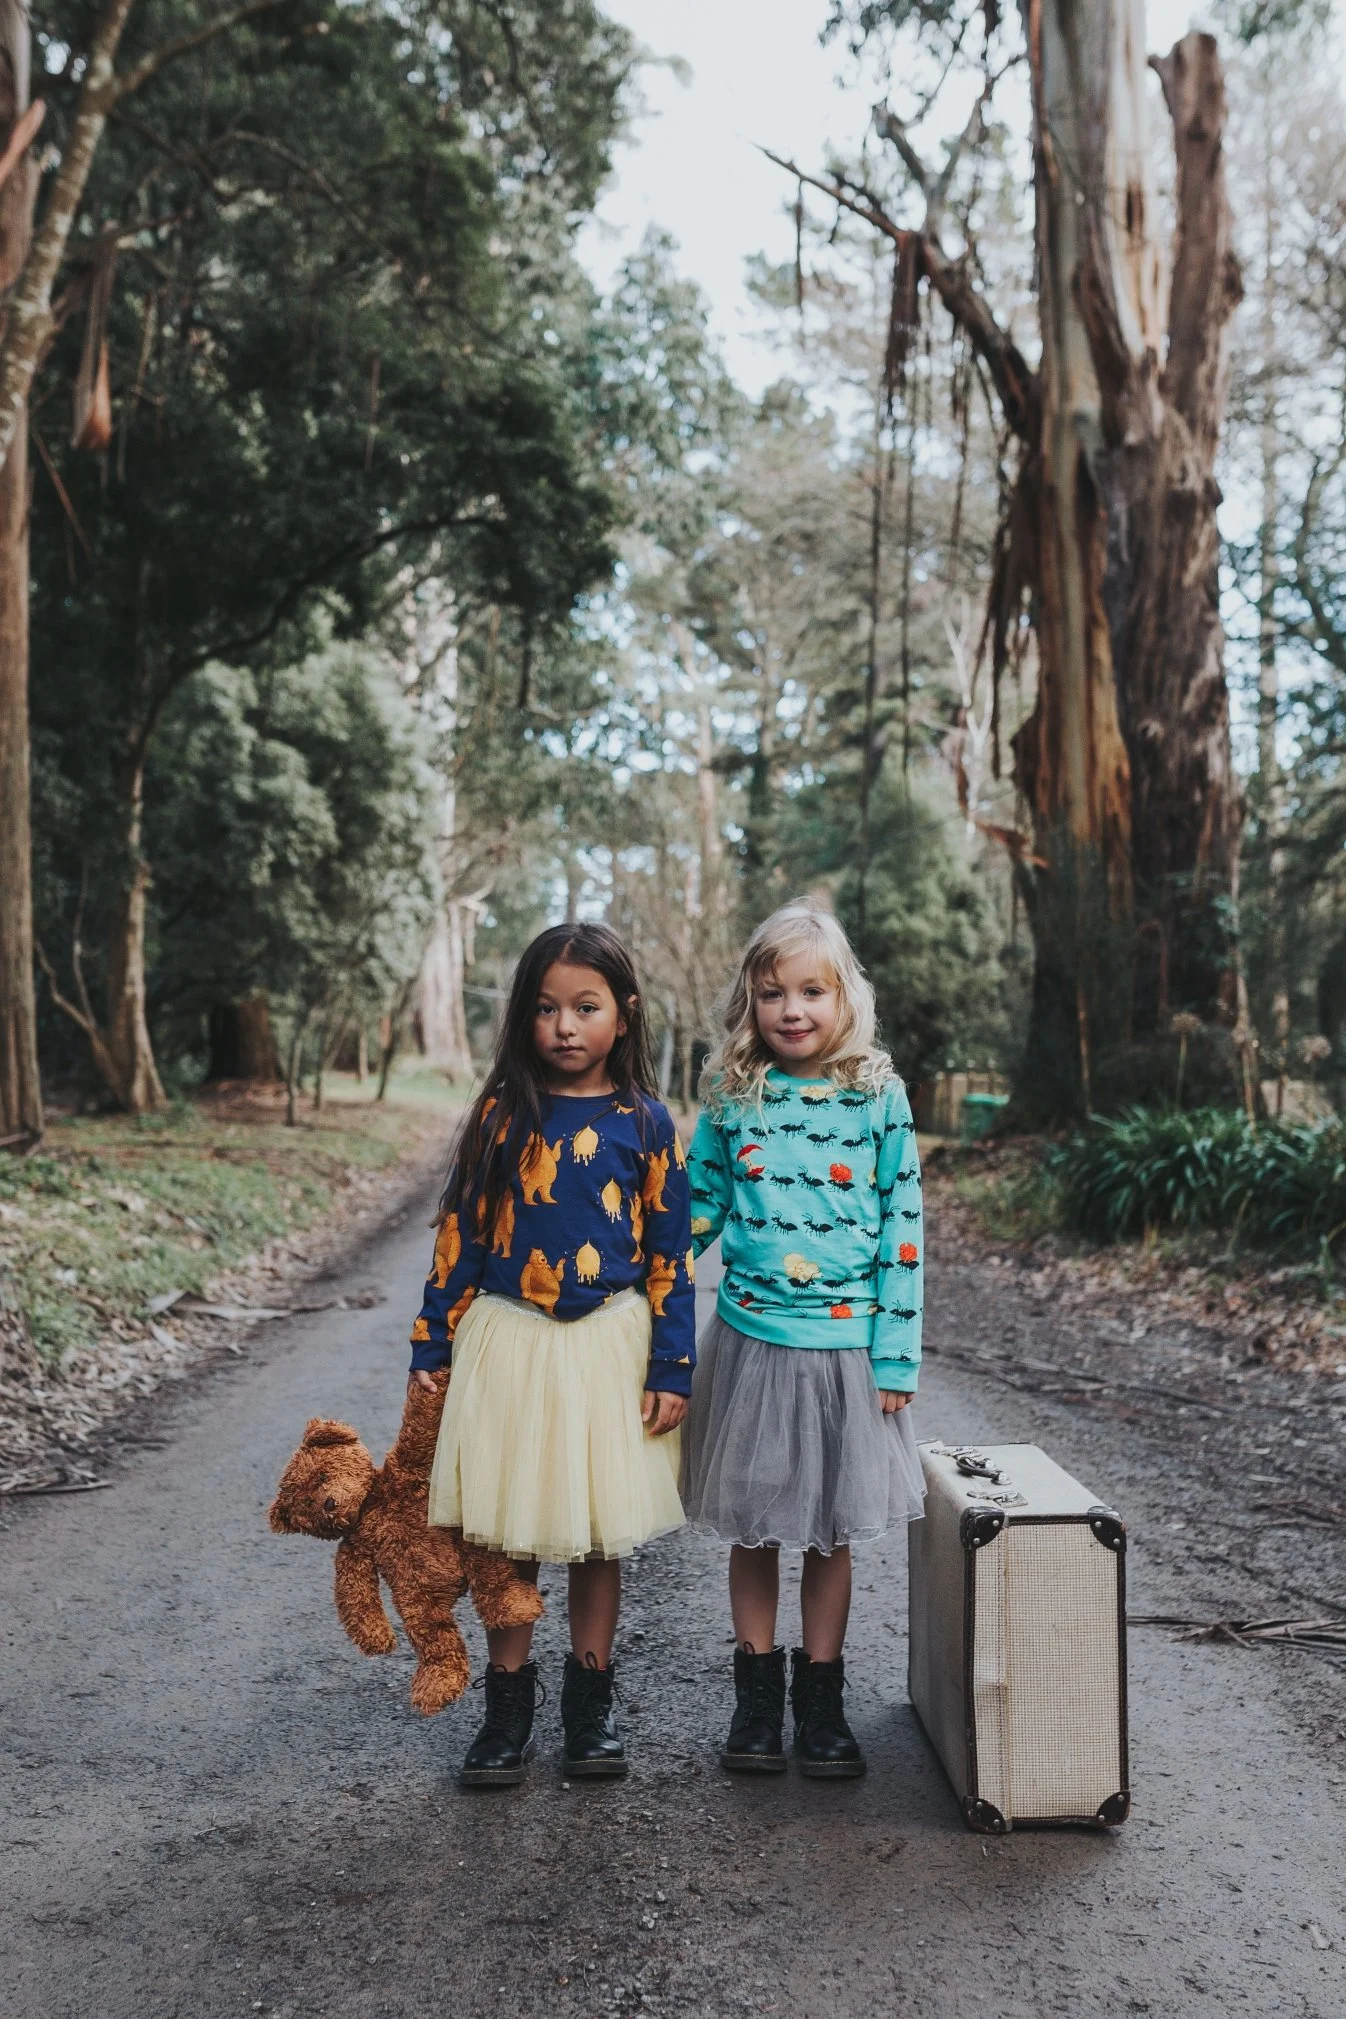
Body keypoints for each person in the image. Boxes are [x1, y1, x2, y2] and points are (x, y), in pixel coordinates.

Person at [408, 922, 693, 1787]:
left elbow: (669, 1256)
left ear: (625, 1014)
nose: (565, 1025)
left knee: (597, 1534)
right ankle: (506, 1706)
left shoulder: (645, 1122)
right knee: (511, 1532)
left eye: (585, 1007)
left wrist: (670, 1363)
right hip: (509, 1343)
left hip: (608, 1343)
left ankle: (590, 1707)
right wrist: (433, 1337)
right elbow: (457, 1234)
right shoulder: (501, 1115)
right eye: (545, 1008)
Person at [682, 902, 925, 1779]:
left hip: (847, 1350)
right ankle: (756, 1700)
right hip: (751, 1342)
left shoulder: (876, 1096)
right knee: (755, 1525)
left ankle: (822, 1699)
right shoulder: (732, 1095)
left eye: (811, 991)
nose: (793, 1009)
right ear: (750, 1001)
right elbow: (696, 1211)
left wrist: (896, 1352)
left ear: (843, 995)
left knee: (829, 1533)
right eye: (773, 992)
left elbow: (904, 1225)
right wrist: (632, 1284)